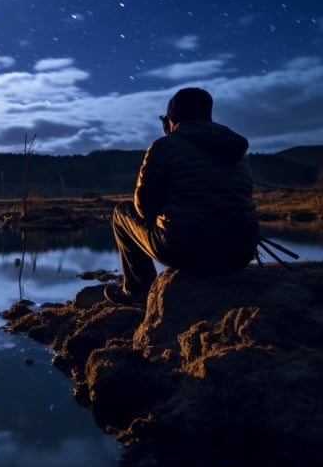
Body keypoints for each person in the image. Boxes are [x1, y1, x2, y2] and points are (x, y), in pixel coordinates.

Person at [104, 87, 260, 306]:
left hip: (187, 250)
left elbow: (143, 209)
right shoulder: (235, 149)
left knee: (122, 212)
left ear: (172, 118)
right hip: (240, 252)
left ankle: (138, 292)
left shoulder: (164, 147)